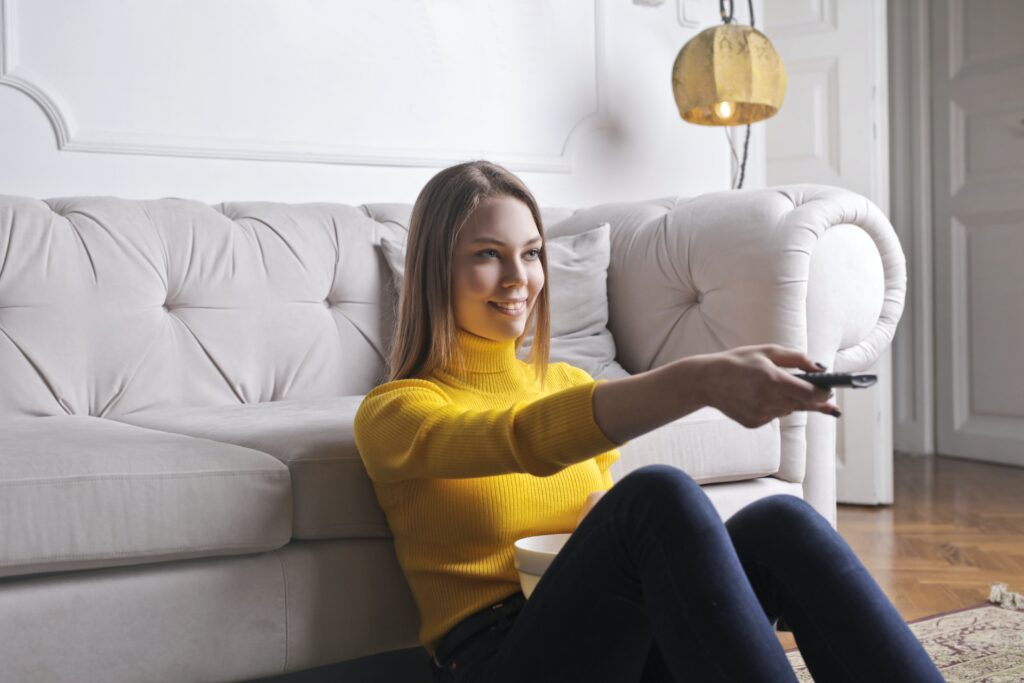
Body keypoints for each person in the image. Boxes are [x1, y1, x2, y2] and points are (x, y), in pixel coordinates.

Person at [353, 160, 943, 682]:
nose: (519, 278)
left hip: (619, 649)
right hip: (498, 658)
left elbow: (594, 539)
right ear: (436, 268)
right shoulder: (396, 413)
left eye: (531, 253)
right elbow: (523, 439)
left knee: (781, 523)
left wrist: (597, 529)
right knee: (654, 495)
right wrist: (700, 380)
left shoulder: (568, 385)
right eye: (488, 254)